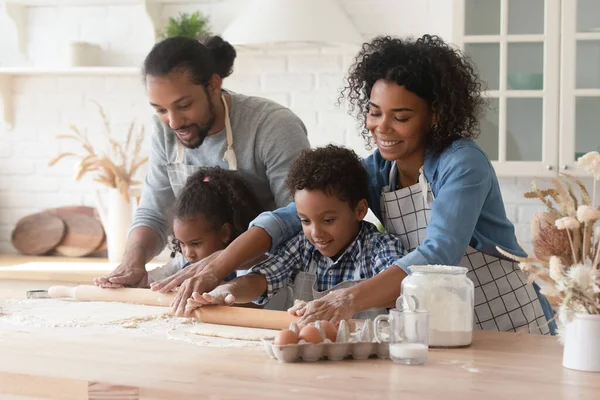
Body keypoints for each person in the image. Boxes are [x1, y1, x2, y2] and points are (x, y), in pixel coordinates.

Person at [165, 34, 557, 335]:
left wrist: (349, 298)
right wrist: (218, 267)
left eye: (400, 117)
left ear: (435, 115)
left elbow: (440, 252)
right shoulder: (376, 171)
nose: (381, 128)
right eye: (374, 112)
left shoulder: (462, 162)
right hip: (443, 321)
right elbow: (286, 219)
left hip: (506, 317)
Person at [94, 35, 310, 289]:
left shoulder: (273, 126)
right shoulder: (165, 131)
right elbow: (154, 211)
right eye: (161, 110)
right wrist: (133, 261)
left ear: (214, 85)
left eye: (183, 105)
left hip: (272, 283)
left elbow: (301, 217)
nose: (173, 122)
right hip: (202, 281)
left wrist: (225, 261)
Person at [185, 145, 406, 325]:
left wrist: (348, 301)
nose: (316, 233)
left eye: (328, 220)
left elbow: (399, 291)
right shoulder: (302, 246)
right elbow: (262, 279)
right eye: (305, 220)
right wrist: (225, 291)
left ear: (359, 210)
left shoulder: (381, 248)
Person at [145, 167, 265, 286]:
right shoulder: (184, 262)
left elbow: (248, 299)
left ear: (225, 233)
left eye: (196, 244)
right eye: (182, 243)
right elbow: (151, 280)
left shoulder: (244, 265)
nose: (188, 253)